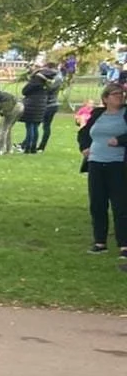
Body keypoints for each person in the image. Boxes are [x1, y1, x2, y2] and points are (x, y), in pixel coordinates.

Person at [77, 79, 127, 256]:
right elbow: (84, 132)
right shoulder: (98, 113)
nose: (120, 97)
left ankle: (124, 244)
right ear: (105, 98)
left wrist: (120, 140)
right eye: (115, 94)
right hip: (96, 163)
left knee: (120, 205)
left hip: (118, 164)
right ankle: (100, 242)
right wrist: (84, 147)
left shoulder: (125, 114)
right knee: (97, 204)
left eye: (121, 94)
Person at [20, 65, 51, 153]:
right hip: (41, 106)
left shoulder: (34, 83)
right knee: (35, 127)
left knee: (30, 126)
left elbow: (24, 91)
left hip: (31, 105)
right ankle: (33, 147)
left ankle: (28, 147)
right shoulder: (46, 84)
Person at [39, 66, 66, 152]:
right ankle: (30, 143)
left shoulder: (57, 78)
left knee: (45, 126)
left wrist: (44, 81)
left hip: (50, 104)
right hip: (49, 104)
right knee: (39, 125)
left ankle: (41, 146)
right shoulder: (57, 77)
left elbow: (50, 88)